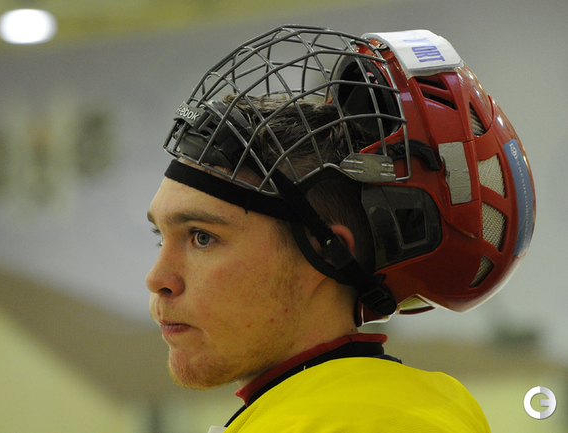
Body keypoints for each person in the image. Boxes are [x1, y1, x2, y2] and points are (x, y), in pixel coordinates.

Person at [145, 25, 535, 432]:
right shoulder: (438, 404)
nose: (157, 279)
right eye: (160, 237)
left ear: (327, 251)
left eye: (202, 237)